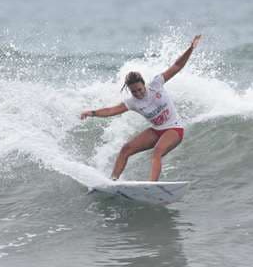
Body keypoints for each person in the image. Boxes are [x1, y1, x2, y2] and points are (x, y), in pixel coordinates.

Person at [80, 35, 202, 181]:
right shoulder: (132, 102)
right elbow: (111, 111)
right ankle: (112, 181)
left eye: (139, 89)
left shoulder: (156, 84)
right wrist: (91, 113)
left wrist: (191, 48)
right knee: (126, 149)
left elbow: (177, 66)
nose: (138, 93)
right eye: (134, 92)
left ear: (144, 84)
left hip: (174, 129)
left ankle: (152, 185)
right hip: (157, 130)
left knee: (157, 151)